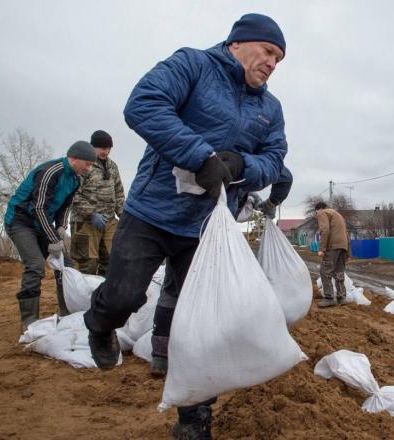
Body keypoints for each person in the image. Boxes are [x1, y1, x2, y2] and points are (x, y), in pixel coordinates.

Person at [82, 13, 288, 439]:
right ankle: (100, 324)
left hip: (208, 227)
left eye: (279, 59)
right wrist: (201, 156)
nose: (272, 63)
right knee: (123, 295)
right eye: (268, 51)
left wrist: (240, 164)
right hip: (153, 211)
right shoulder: (193, 65)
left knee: (204, 325)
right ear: (238, 43)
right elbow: (143, 104)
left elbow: (275, 160)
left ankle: (194, 419)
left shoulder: (270, 108)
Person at [151, 165, 293, 378]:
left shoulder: (191, 152)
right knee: (215, 291)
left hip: (181, 228)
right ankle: (208, 351)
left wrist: (247, 196)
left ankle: (161, 356)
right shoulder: (245, 159)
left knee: (174, 289)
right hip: (212, 236)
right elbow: (285, 177)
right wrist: (270, 202)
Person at [5, 141, 96, 330]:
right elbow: (38, 207)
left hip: (43, 223)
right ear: (75, 158)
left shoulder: (75, 180)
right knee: (35, 265)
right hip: (21, 221)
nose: (88, 168)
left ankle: (67, 311)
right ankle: (29, 320)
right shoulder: (51, 172)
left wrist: (61, 226)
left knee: (67, 265)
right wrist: (53, 239)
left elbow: (66, 206)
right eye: (87, 163)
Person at [70, 130, 124, 275]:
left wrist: (123, 216)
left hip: (109, 221)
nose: (106, 152)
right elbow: (73, 195)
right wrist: (92, 213)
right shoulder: (84, 165)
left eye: (108, 148)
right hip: (85, 222)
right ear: (93, 147)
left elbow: (119, 193)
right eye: (102, 148)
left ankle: (105, 296)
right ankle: (84, 297)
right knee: (87, 265)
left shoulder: (112, 166)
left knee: (113, 261)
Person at [314, 201, 351, 308]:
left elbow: (325, 230)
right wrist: (348, 252)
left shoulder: (322, 213)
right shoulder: (338, 215)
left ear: (318, 209)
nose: (317, 215)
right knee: (339, 272)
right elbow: (346, 234)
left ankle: (329, 298)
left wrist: (322, 249)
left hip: (333, 246)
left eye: (316, 213)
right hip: (343, 246)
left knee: (325, 271)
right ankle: (341, 297)